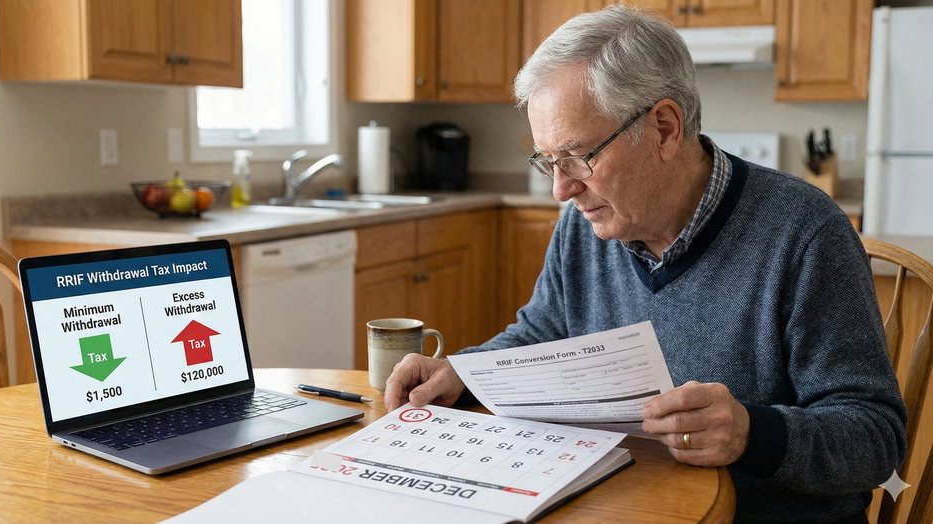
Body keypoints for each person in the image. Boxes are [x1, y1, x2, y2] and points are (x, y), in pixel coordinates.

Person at [384, 5, 906, 523]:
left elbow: (876, 439)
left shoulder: (805, 233)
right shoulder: (584, 225)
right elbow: (541, 335)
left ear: (664, 128)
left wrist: (751, 432)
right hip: (622, 505)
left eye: (578, 157)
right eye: (548, 161)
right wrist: (463, 371)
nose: (561, 190)